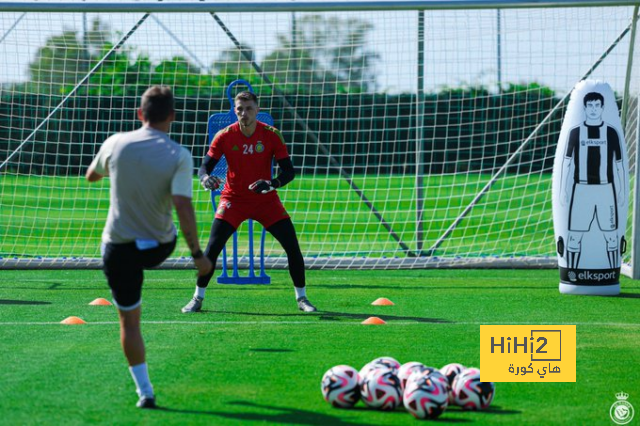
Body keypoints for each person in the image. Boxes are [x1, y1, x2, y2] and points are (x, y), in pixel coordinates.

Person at [86, 86, 212, 409]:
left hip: (118, 248)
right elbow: (183, 207)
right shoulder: (179, 155)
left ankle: (146, 392)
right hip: (158, 247)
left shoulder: (115, 143)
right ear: (172, 116)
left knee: (129, 323)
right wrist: (198, 256)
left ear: (139, 115)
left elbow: (91, 176)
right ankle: (144, 391)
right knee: (161, 231)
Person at [181, 91, 316, 314]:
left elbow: (288, 172)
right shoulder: (224, 136)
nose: (244, 113)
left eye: (249, 109)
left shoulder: (272, 135)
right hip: (233, 200)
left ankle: (302, 298)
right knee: (212, 249)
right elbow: (204, 167)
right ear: (235, 111)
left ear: (257, 110)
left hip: (266, 201)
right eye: (239, 109)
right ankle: (197, 297)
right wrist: (206, 179)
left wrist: (271, 184)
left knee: (292, 247)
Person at [559, 91, 626, 269]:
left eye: (597, 105)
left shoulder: (611, 133)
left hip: (605, 190)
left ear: (602, 108)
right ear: (585, 107)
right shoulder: (575, 132)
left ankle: (611, 272)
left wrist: (621, 190)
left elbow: (619, 164)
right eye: (590, 105)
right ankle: (573, 274)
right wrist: (563, 190)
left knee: (611, 236)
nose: (594, 109)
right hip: (581, 190)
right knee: (574, 236)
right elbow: (566, 162)